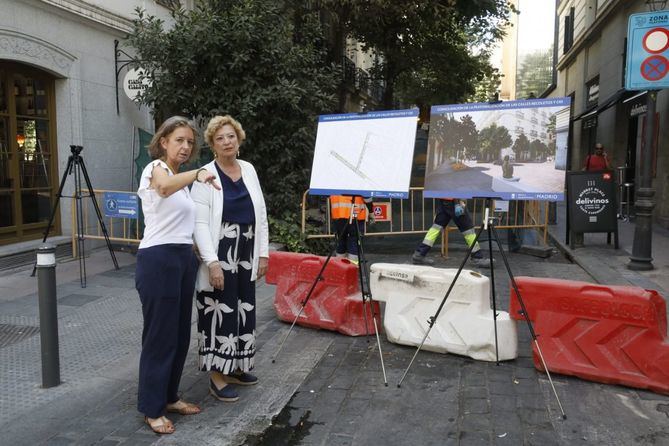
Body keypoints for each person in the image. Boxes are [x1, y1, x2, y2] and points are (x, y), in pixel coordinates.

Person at [135, 116, 220, 434]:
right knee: (159, 336)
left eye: (189, 142)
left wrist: (202, 256)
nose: (185, 146)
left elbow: (186, 223)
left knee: (180, 334)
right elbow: (163, 187)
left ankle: (169, 396)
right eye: (179, 140)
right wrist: (197, 174)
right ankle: (151, 407)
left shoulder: (183, 183)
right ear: (163, 142)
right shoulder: (155, 168)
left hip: (183, 259)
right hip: (158, 259)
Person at [192, 115, 269, 403]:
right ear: (212, 144)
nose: (227, 141)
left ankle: (236, 366)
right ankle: (216, 376)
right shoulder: (204, 174)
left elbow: (259, 212)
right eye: (220, 138)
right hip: (220, 250)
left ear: (239, 139)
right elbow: (199, 224)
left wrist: (263, 253)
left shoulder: (248, 168)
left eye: (231, 136)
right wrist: (212, 262)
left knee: (243, 309)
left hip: (247, 250)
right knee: (218, 310)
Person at [411, 199, 491, 268]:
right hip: (454, 200)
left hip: (444, 200)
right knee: (468, 230)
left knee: (436, 228)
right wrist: (457, 203)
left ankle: (419, 254)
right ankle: (477, 257)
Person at [330, 195, 373, 264]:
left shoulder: (334, 183)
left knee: (340, 241)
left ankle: (340, 267)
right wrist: (371, 212)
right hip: (356, 215)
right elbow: (367, 198)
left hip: (338, 215)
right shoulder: (360, 183)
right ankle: (352, 268)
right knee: (354, 241)